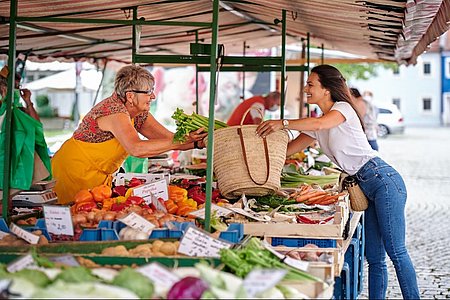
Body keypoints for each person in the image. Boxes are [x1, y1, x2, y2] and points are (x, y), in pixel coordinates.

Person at [256, 64, 419, 299]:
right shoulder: (319, 123)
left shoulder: (342, 109)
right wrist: (259, 155)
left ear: (326, 89)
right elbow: (287, 152)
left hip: (383, 180)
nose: (305, 89)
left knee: (396, 250)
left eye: (311, 84)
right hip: (366, 185)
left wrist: (282, 123)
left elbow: (320, 124)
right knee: (374, 257)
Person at [51, 65, 207, 204]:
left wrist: (198, 141)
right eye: (148, 92)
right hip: (74, 171)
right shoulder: (114, 112)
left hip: (99, 175)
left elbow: (168, 138)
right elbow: (137, 149)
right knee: (75, 216)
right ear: (130, 96)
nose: (153, 96)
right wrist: (183, 141)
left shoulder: (137, 112)